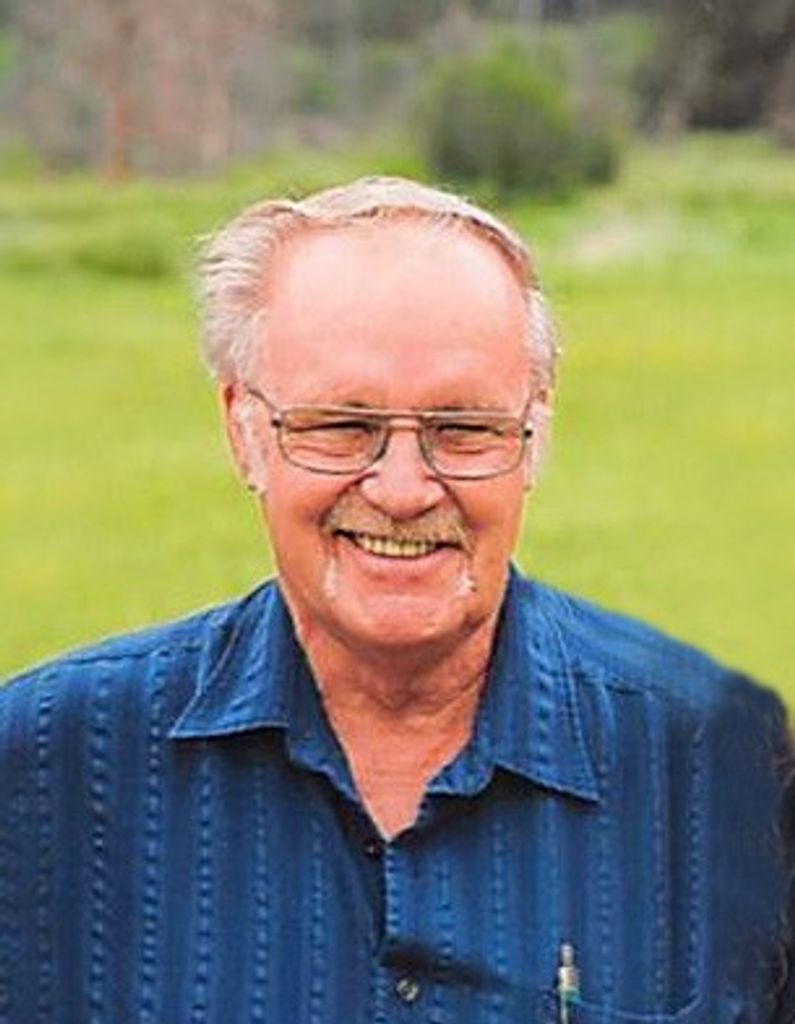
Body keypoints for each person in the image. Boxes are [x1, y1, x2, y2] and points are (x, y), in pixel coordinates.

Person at [0, 177, 792, 1023]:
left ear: (534, 437)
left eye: (463, 429)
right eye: (342, 426)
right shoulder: (43, 766)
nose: (404, 489)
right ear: (243, 430)